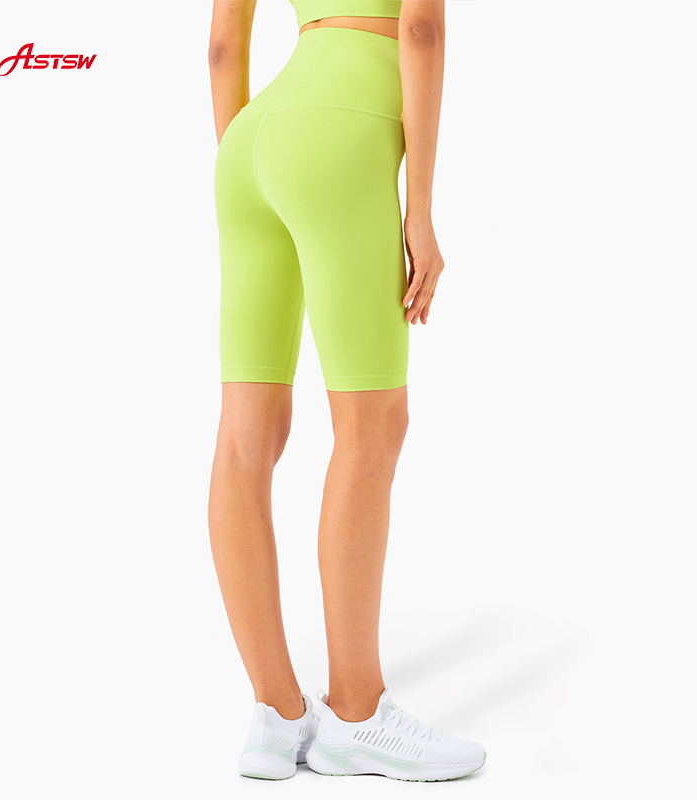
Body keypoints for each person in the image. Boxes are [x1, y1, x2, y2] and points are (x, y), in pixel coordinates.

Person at [207, 0, 486, 782]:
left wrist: (261, 164)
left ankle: (275, 715)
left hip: (249, 144)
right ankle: (356, 714)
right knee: (373, 425)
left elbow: (223, 46)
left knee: (245, 438)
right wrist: (419, 210)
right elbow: (421, 29)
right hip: (342, 129)